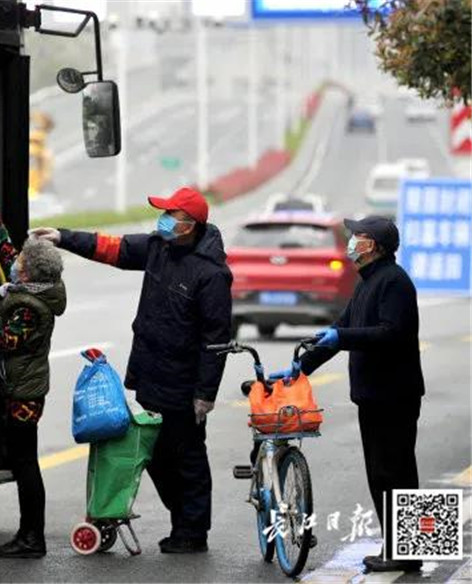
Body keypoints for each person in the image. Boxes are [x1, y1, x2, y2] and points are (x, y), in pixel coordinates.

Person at [33, 186, 233, 553]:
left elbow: (216, 340)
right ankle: (182, 522)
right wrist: (63, 237)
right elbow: (113, 248)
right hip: (151, 375)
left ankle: (192, 532)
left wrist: (205, 394)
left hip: (184, 384)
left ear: (189, 225)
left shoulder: (211, 275)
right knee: (155, 455)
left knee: (187, 457)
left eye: (170, 214)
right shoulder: (159, 247)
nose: (164, 220)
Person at [269, 215, 424, 573]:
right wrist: (300, 367)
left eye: (359, 236)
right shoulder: (368, 281)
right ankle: (400, 548)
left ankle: (408, 552)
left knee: (396, 473)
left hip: (394, 395)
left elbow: (391, 333)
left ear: (375, 246)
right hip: (373, 395)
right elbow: (340, 330)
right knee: (381, 473)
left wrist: (344, 337)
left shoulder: (395, 282)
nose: (352, 240)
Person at [0, 173, 66, 559]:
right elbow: (5, 245)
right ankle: (29, 535)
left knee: (25, 463)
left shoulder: (31, 305)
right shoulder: (31, 286)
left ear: (29, 273)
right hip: (21, 388)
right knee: (20, 458)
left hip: (25, 393)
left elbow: (7, 342)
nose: (15, 263)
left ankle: (32, 538)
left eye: (21, 263)